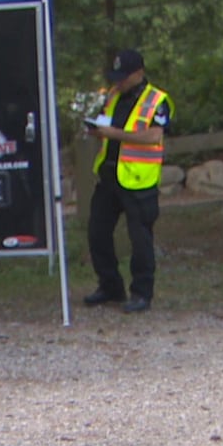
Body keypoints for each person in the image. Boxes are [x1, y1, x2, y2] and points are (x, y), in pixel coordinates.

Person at [83, 49, 175, 313]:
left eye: (123, 77)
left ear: (139, 73)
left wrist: (113, 133)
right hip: (109, 175)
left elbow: (153, 136)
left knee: (140, 239)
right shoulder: (113, 95)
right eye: (115, 76)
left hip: (138, 180)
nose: (118, 82)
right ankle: (110, 286)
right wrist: (96, 130)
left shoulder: (158, 100)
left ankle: (141, 293)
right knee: (97, 233)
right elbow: (106, 122)